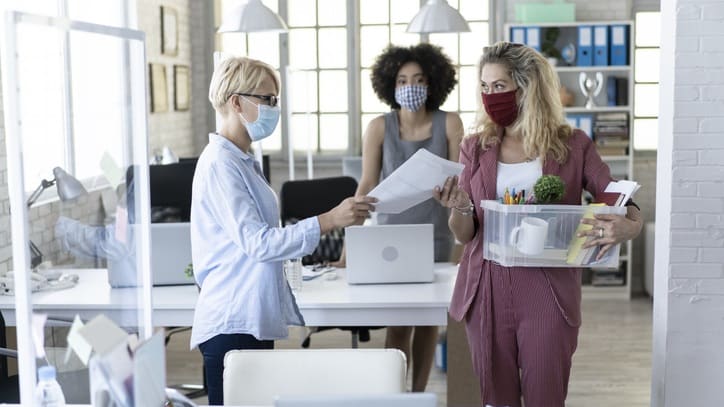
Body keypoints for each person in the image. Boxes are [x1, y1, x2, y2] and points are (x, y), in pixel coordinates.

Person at [433, 42, 642, 407]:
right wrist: (460, 208)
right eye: (484, 87)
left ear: (527, 85)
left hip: (548, 286)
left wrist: (632, 225)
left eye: (498, 86)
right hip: (487, 286)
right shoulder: (475, 147)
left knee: (547, 395)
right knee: (496, 399)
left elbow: (616, 194)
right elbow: (464, 235)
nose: (489, 96)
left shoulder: (573, 145)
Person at [190, 56, 376, 405]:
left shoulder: (242, 159)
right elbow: (258, 243)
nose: (275, 108)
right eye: (267, 99)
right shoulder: (220, 164)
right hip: (233, 320)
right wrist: (329, 220)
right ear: (236, 101)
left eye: (277, 99)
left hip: (251, 316)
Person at [340, 43, 464, 392]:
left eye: (419, 79)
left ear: (433, 83)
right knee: (398, 325)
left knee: (427, 323)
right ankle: (394, 397)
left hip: (438, 237)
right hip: (391, 241)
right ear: (391, 86)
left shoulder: (450, 123)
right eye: (403, 79)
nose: (411, 86)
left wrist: (462, 246)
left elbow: (460, 185)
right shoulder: (379, 128)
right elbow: (366, 185)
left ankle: (419, 394)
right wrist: (348, 250)